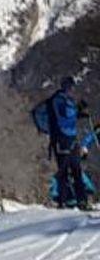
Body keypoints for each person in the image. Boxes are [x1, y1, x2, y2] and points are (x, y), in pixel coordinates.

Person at [34, 76, 88, 210]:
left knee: (73, 171)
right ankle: (68, 201)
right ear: (66, 87)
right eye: (71, 87)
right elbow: (66, 115)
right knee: (67, 171)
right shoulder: (59, 100)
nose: (72, 90)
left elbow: (68, 116)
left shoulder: (63, 100)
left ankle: (73, 200)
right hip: (63, 140)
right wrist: (78, 110)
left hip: (65, 140)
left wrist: (78, 113)